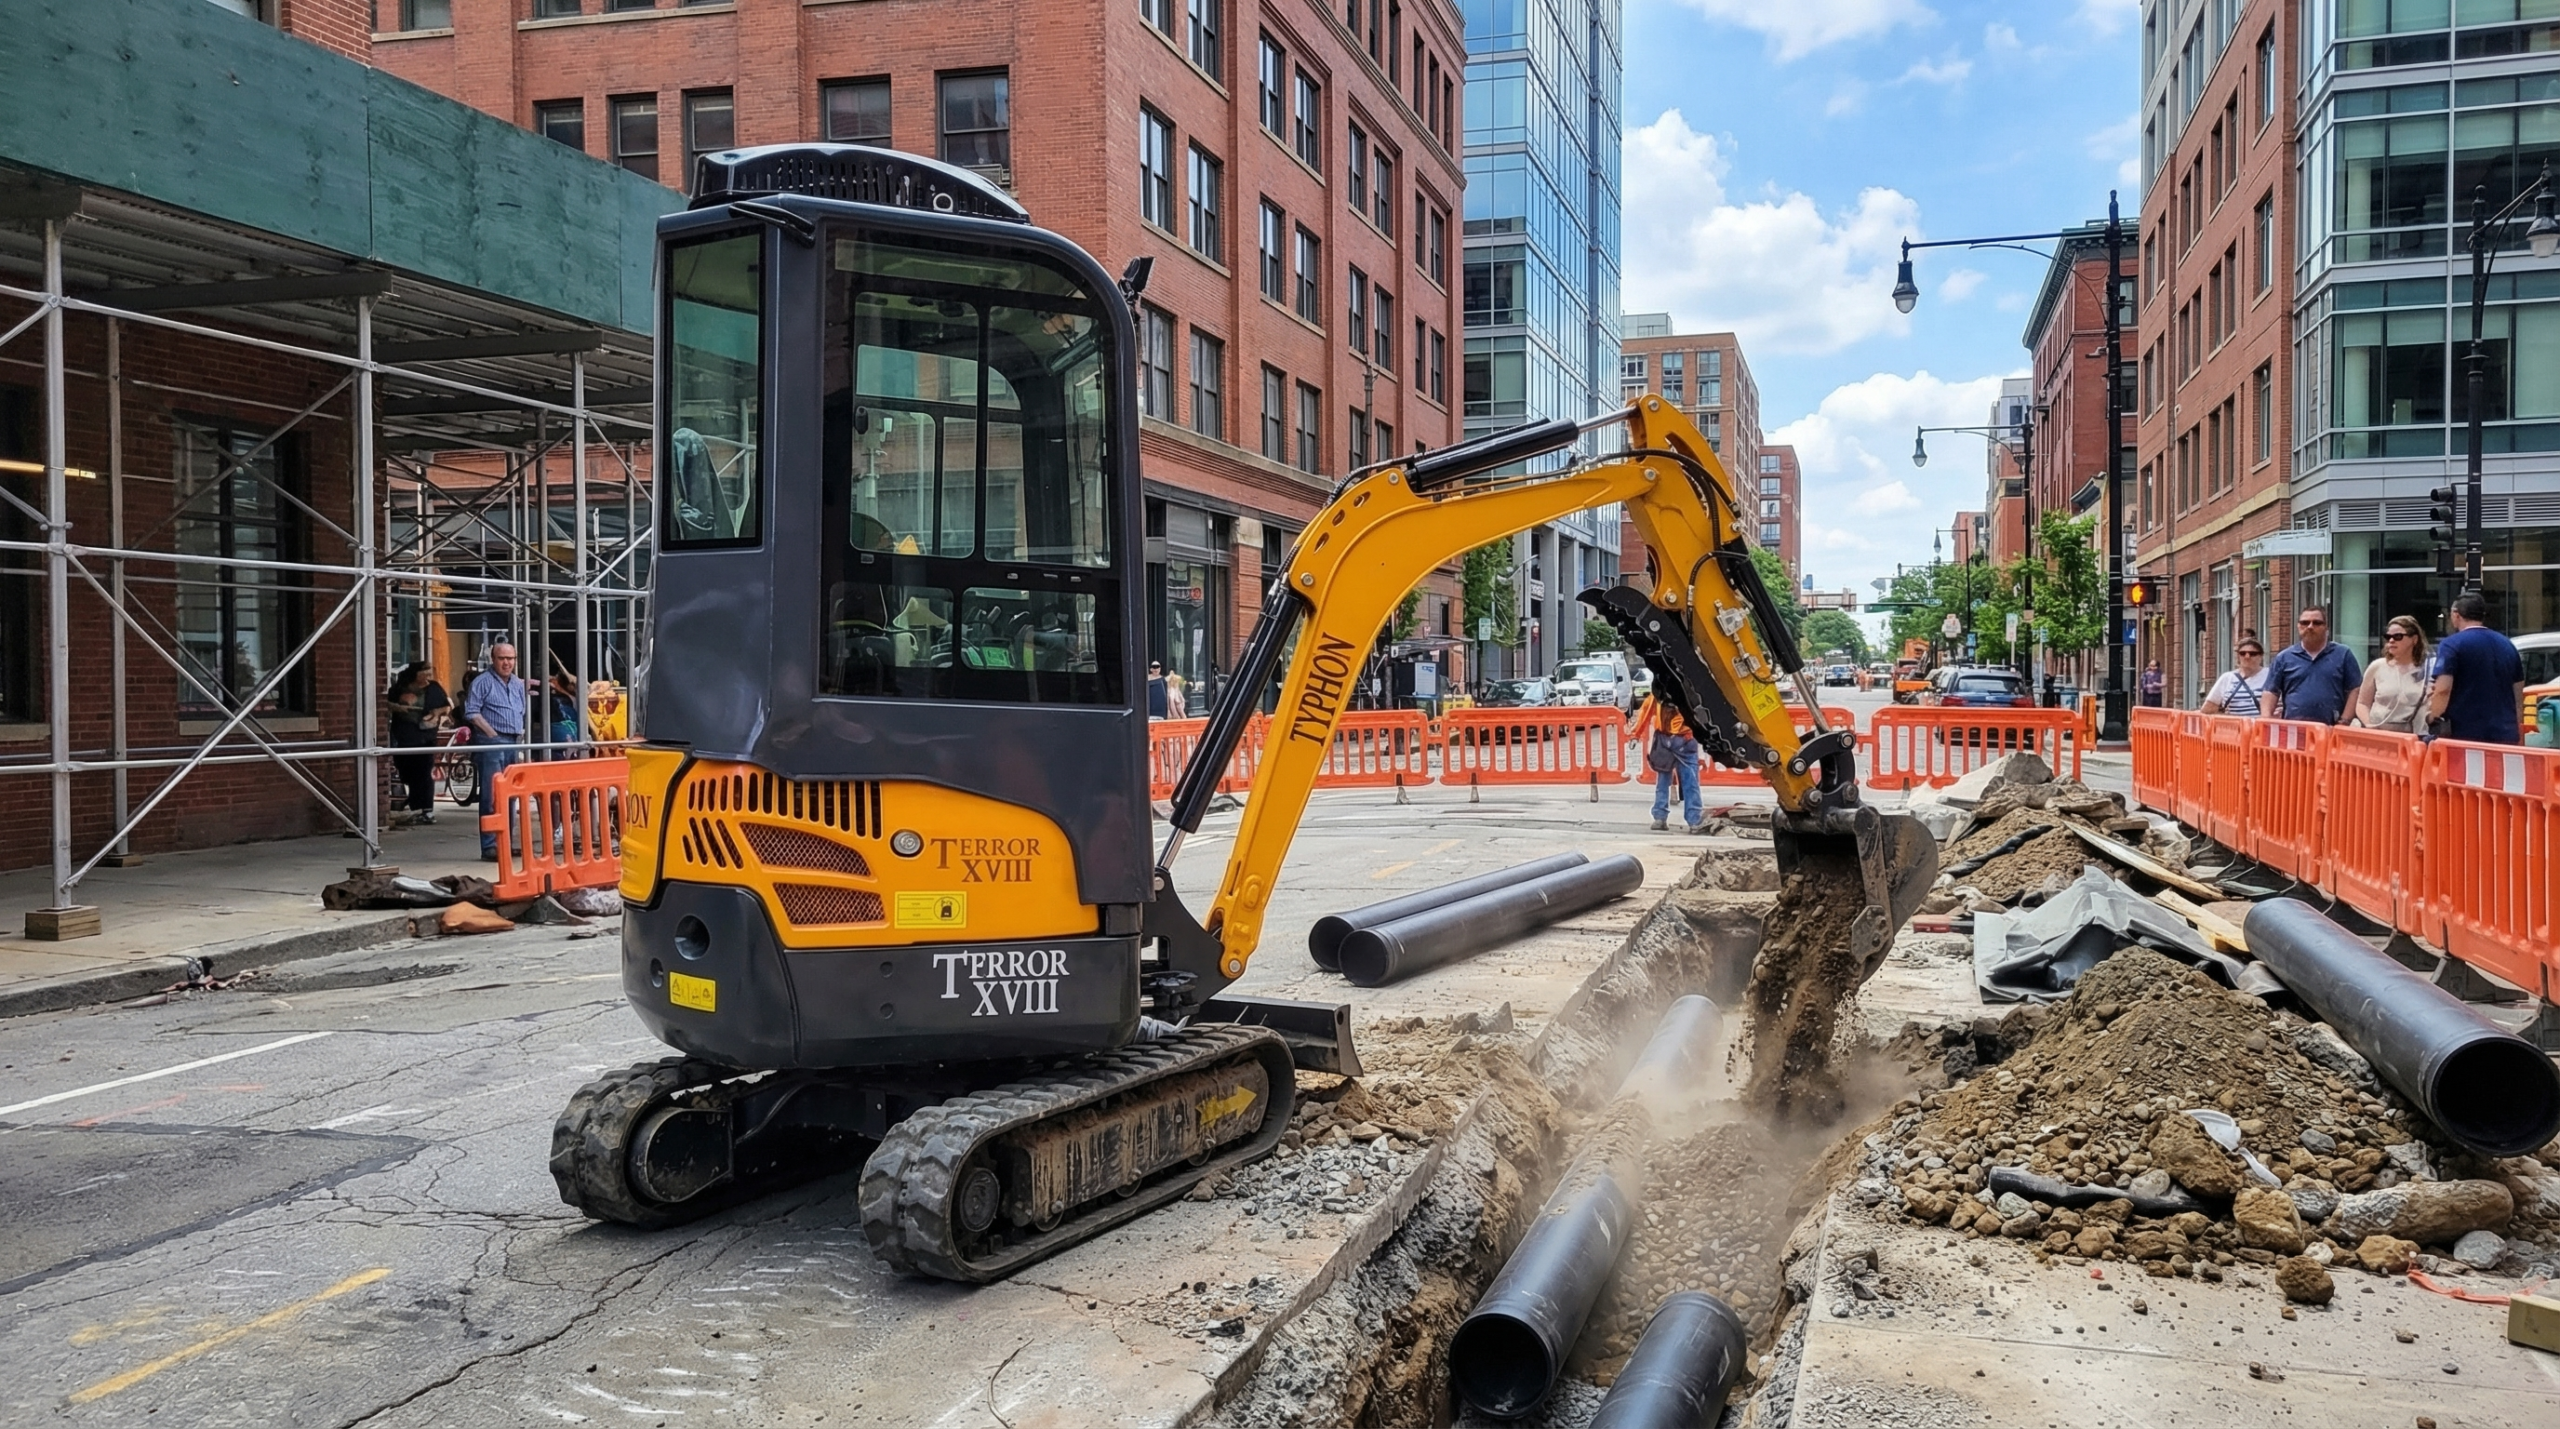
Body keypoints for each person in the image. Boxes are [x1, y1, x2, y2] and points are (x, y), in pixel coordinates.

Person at [461, 643, 531, 859]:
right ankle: (490, 846)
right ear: (493, 658)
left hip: (513, 740)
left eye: (511, 658)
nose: (507, 662)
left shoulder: (518, 684)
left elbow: (521, 709)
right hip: (492, 741)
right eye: (502, 658)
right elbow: (471, 711)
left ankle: (504, 843)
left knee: (509, 795)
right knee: (491, 795)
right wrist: (491, 734)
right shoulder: (482, 682)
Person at [2427, 592, 2524, 745]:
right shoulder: (2507, 645)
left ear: (2456, 615)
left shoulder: (2451, 644)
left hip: (2466, 735)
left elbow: (2443, 689)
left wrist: (2432, 716)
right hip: (2505, 734)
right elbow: (2518, 694)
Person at [2268, 606, 2362, 725]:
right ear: (2298, 626)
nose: (2310, 627)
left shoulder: (2343, 654)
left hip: (2331, 731)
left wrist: (2344, 720)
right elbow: (2271, 691)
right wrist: (2266, 719)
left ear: (2326, 627)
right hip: (2294, 730)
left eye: (2317, 623)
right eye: (2305, 623)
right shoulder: (2284, 657)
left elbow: (2355, 689)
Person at [384, 661, 450, 824]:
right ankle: (416, 803)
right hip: (405, 735)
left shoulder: (434, 688)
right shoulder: (401, 688)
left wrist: (436, 713)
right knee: (408, 770)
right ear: (415, 674)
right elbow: (385, 704)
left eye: (429, 673)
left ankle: (426, 809)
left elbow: (447, 706)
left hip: (426, 735)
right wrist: (398, 708)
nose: (427, 677)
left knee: (424, 771)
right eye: (424, 673)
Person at [2347, 616, 2431, 733]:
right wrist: (2368, 724)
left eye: (2398, 636)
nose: (2391, 640)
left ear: (2414, 639)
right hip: (2378, 735)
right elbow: (2362, 703)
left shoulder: (2427, 669)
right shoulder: (2377, 666)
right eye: (2388, 637)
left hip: (2412, 739)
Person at [1643, 696, 1704, 834]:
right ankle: (1692, 820)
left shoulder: (1660, 693)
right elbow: (1646, 710)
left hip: (1678, 739)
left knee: (1675, 781)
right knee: (1688, 782)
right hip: (1677, 740)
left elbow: (1645, 711)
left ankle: (1662, 816)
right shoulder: (1685, 692)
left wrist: (1636, 733)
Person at [2200, 640, 2271, 716]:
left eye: (2252, 654)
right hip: (2234, 727)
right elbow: (2207, 710)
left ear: (2261, 656)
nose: (2247, 657)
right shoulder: (2227, 678)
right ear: (2238, 656)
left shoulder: (2270, 675)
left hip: (2262, 726)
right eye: (2242, 653)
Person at [546, 673, 582, 758]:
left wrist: (557, 686)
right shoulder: (559, 699)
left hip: (570, 736)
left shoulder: (577, 699)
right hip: (562, 734)